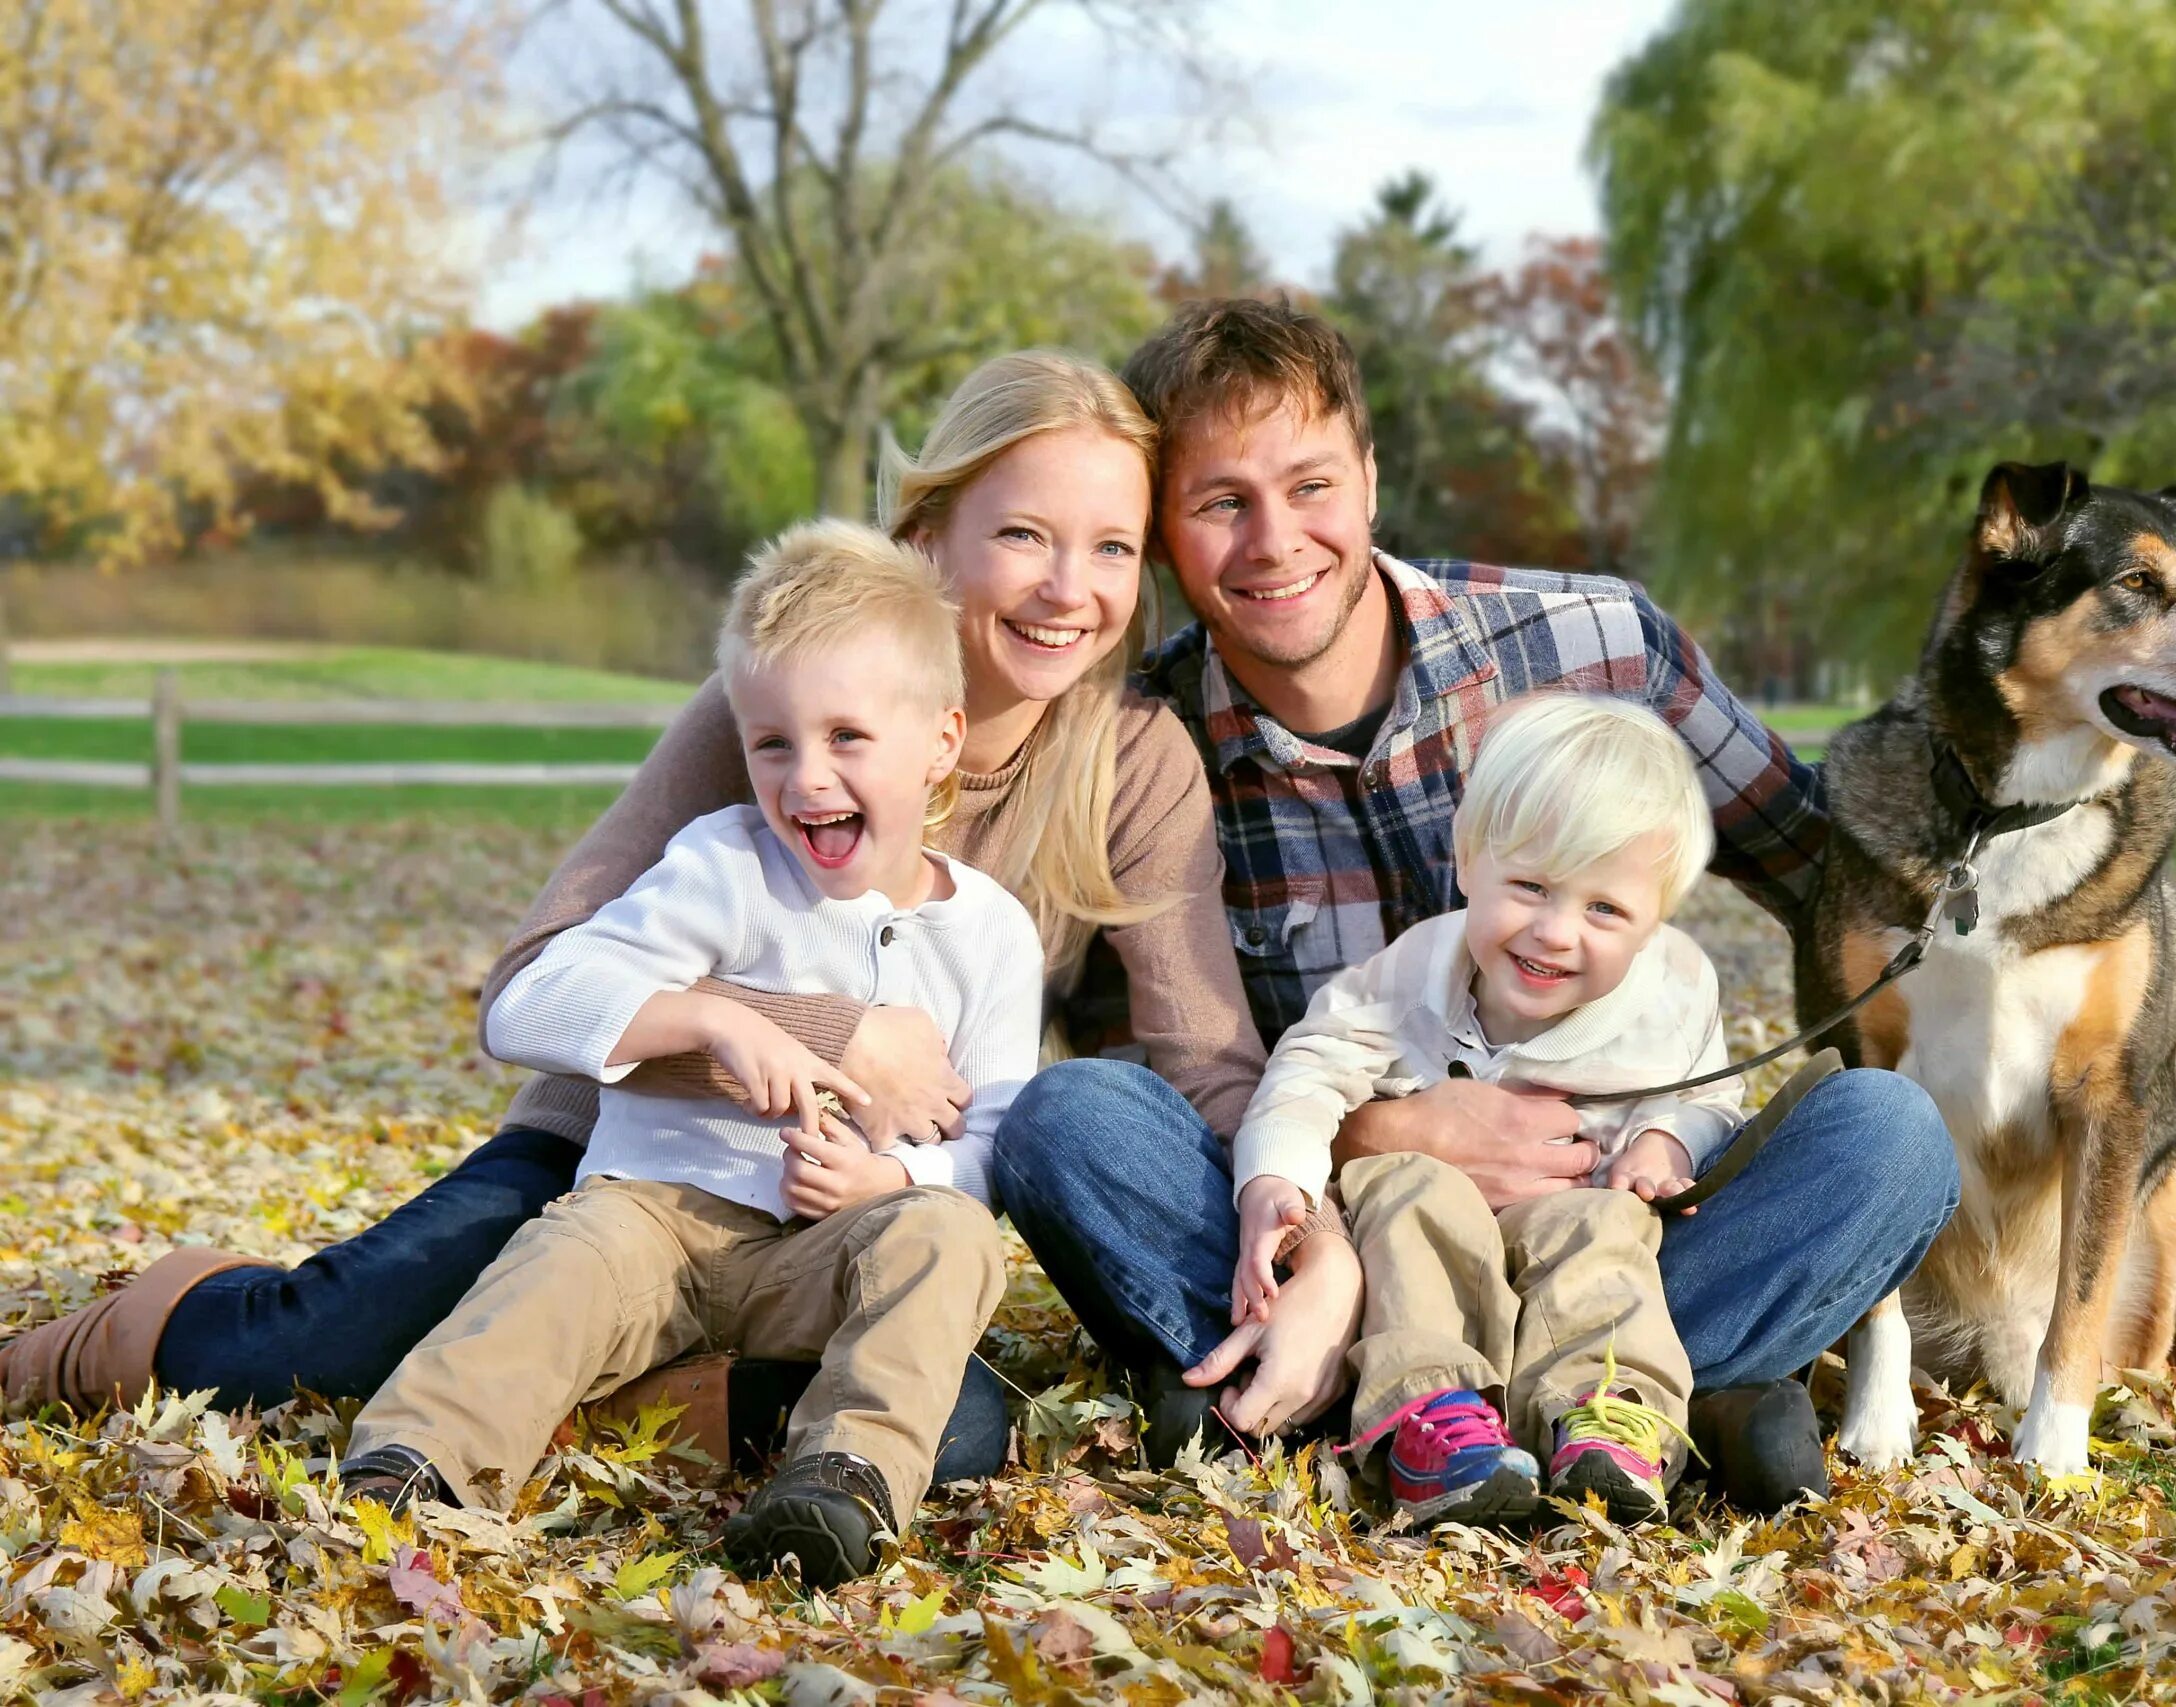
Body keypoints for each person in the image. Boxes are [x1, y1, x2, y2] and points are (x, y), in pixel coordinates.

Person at [0, 351, 1276, 1483]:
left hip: (845, 1215)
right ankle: (140, 1325)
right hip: (619, 1162)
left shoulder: (1130, 757)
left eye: (1112, 548)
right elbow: (537, 971)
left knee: (954, 1434)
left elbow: (1197, 1058)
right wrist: (832, 1033)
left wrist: (1294, 1219)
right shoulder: (773, 715)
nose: (1070, 588)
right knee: (319, 1348)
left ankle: (606, 1395)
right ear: (932, 535)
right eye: (1023, 536)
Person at [992, 298, 1964, 1511]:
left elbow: (1836, 872)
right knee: (1070, 1118)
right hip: (1330, 1251)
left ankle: (1409, 1407)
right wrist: (1379, 1141)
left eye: (1308, 486)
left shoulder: (1597, 645)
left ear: (1369, 476)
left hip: (1620, 1240)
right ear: (1164, 541)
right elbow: (1146, 1075)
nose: (1273, 540)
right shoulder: (1137, 749)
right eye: (1219, 503)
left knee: (1891, 1136)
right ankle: (1646, 1400)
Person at [338, 522, 1036, 1588]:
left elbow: (996, 1142)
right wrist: (715, 1020)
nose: (806, 780)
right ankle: (418, 1461)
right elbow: (530, 1005)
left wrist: (891, 1179)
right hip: (654, 1220)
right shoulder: (722, 865)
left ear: (942, 740)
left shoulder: (990, 932)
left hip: (826, 1252)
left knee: (947, 1243)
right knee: (558, 1264)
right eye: (772, 743)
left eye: (847, 737)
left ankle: (840, 1481)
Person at [1234, 694, 1742, 1524]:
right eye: (1530, 886)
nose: (1555, 932)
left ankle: (1607, 1417)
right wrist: (1276, 1181)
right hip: (1425, 1240)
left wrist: (1665, 1139)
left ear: (1656, 920)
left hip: (1570, 1220)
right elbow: (1306, 1068)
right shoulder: (1405, 976)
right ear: (1469, 861)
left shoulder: (1675, 992)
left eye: (1604, 908)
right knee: (1407, 1188)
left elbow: (1709, 1095)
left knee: (1604, 1230)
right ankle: (1429, 1418)